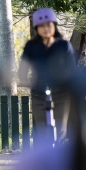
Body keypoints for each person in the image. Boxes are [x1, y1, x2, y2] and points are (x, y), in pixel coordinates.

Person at [19, 8, 76, 142]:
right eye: (42, 26)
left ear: (54, 26)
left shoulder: (64, 45)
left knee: (61, 130)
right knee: (42, 130)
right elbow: (23, 69)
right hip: (38, 92)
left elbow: (72, 69)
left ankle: (61, 157)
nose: (46, 29)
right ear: (36, 28)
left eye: (49, 25)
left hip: (61, 93)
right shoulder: (31, 46)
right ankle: (45, 158)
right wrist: (24, 80)